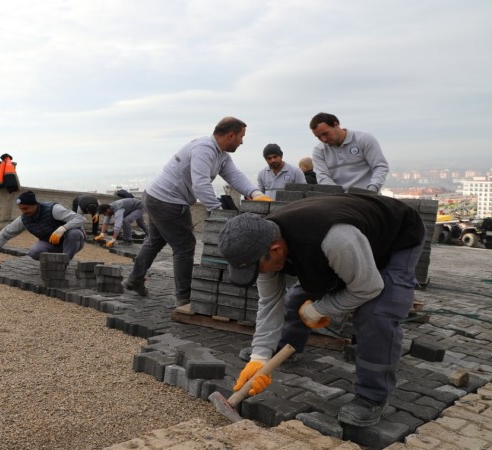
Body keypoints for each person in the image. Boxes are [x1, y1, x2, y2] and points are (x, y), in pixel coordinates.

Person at [218, 193, 425, 427]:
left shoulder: (334, 239)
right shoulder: (261, 243)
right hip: (350, 243)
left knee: (376, 314)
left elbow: (368, 287)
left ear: (276, 250)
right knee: (297, 298)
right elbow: (270, 303)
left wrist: (321, 309)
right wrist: (260, 356)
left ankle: (372, 397)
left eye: (259, 268)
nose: (260, 274)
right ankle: (284, 350)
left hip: (396, 238)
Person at [122, 116, 272, 307]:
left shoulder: (221, 155)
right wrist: (218, 211)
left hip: (156, 196)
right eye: (241, 137)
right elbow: (201, 184)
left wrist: (256, 194)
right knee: (184, 247)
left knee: (155, 241)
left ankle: (134, 279)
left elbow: (234, 176)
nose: (242, 142)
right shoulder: (204, 149)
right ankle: (184, 297)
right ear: (231, 135)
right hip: (167, 201)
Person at [0, 191, 86, 266]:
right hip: (51, 243)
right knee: (34, 252)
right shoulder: (24, 219)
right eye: (21, 209)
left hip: (72, 241)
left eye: (25, 208)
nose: (23, 211)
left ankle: (63, 264)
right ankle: (55, 263)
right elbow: (6, 233)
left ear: (34, 204)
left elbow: (80, 218)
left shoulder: (53, 209)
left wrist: (63, 228)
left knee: (74, 233)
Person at [310, 112, 389, 192]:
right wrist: (338, 194)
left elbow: (380, 167)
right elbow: (323, 177)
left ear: (336, 125)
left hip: (367, 195)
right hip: (338, 196)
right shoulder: (319, 151)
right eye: (318, 137)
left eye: (325, 134)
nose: (323, 139)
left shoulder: (364, 139)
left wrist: (372, 188)